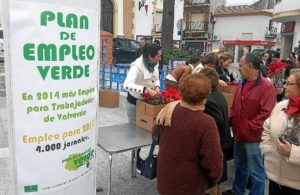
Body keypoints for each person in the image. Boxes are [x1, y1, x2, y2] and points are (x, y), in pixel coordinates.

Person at [155, 73, 223, 195]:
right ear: (205, 97)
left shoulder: (168, 110)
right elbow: (213, 163)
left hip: (165, 178)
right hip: (190, 185)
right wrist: (213, 181)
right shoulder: (206, 123)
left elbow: (155, 135)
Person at [230, 53, 276, 195]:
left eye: (241, 65)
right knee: (240, 167)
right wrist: (233, 120)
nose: (239, 67)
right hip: (239, 135)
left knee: (256, 172)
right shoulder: (242, 83)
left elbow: (266, 114)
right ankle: (237, 192)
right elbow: (235, 105)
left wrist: (248, 127)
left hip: (253, 138)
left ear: (250, 66)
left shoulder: (266, 86)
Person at [260, 70, 300, 195]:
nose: (284, 86)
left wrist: (292, 152)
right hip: (274, 178)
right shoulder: (281, 106)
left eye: (289, 83)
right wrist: (266, 149)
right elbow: (267, 127)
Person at [123, 43, 162, 169]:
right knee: (136, 133)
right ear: (150, 56)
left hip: (148, 101)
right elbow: (126, 85)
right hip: (134, 101)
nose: (160, 59)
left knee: (148, 129)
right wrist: (145, 89)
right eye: (158, 56)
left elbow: (156, 77)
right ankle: (135, 159)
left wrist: (157, 86)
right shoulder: (137, 65)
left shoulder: (154, 63)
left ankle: (147, 157)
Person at [200, 68, 233, 195]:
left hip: (217, 143)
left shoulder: (208, 99)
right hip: (223, 140)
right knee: (216, 177)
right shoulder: (218, 94)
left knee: (213, 176)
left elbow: (216, 120)